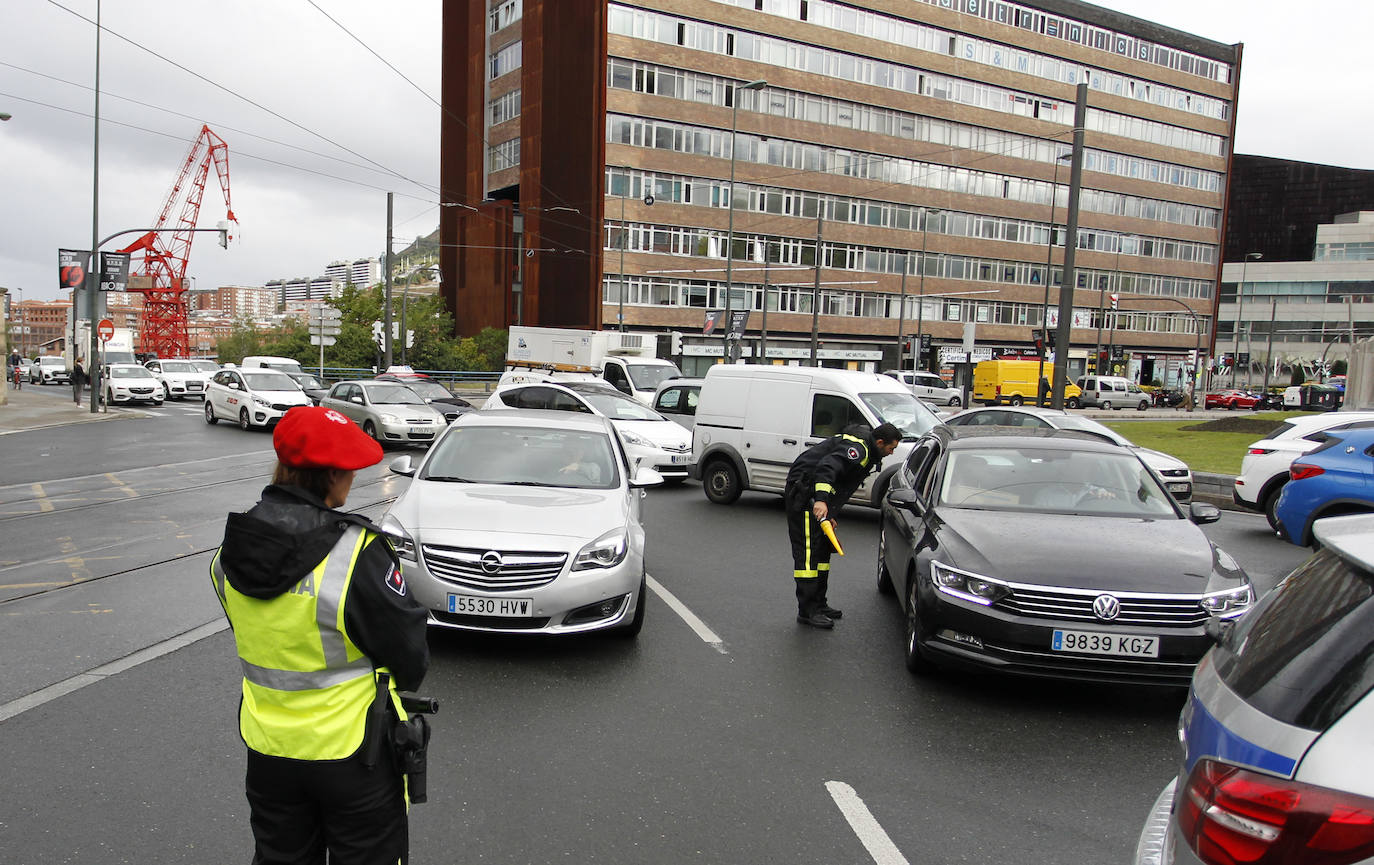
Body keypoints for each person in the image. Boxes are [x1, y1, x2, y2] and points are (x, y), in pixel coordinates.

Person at [210, 406, 430, 864]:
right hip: (351, 753)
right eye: (349, 469)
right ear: (330, 475)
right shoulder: (357, 551)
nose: (353, 478)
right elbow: (410, 657)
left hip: (268, 751)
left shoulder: (232, 550)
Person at [783, 421, 902, 629]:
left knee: (822, 553)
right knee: (809, 556)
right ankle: (807, 611)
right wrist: (821, 500)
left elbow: (840, 483)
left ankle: (819, 604)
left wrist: (830, 511)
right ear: (880, 442)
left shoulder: (868, 451)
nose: (892, 453)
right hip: (804, 496)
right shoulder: (858, 450)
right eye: (891, 448)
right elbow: (827, 469)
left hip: (815, 497)